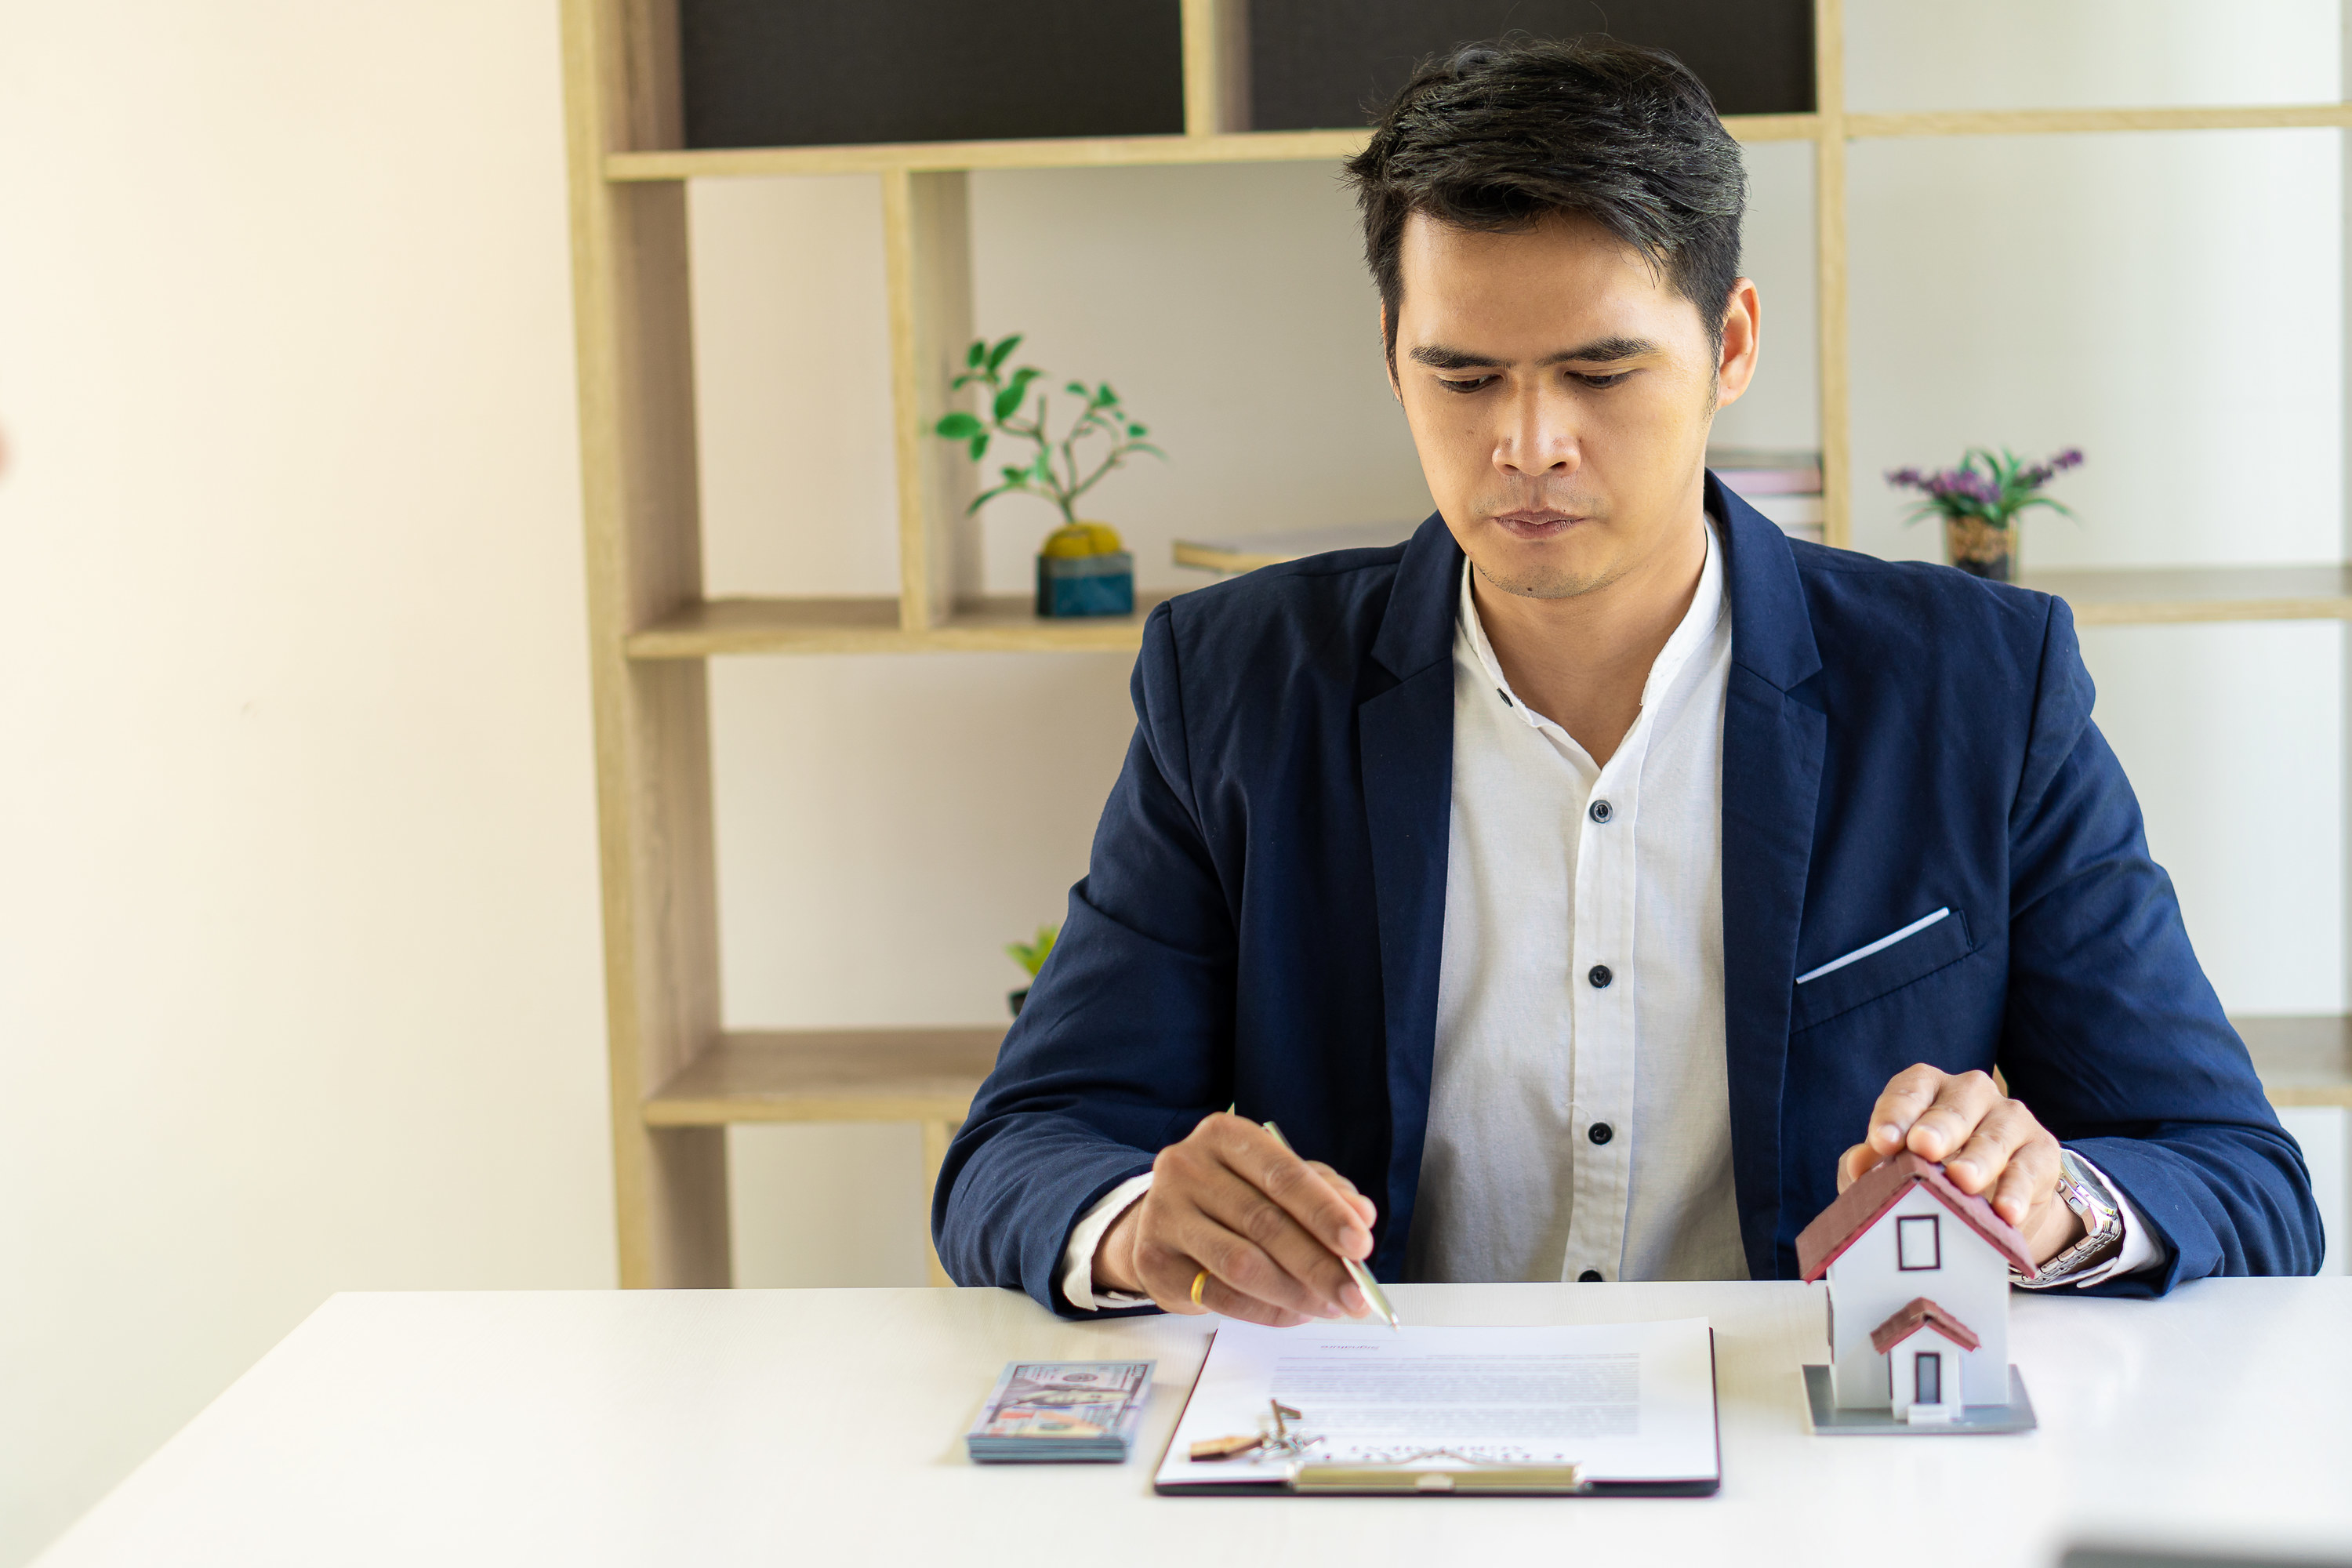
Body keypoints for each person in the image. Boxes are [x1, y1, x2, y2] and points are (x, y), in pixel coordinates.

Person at [933, 37, 2322, 1324]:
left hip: (1811, 1462)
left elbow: (2238, 1172)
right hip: (1376, 1459)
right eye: (1464, 379)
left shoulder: (1979, 685)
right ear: (1392, 361)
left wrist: (2050, 1199)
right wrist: (1134, 1224)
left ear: (1730, 348)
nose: (1529, 443)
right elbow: (1026, 1145)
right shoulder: (1233, 682)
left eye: (1601, 372)